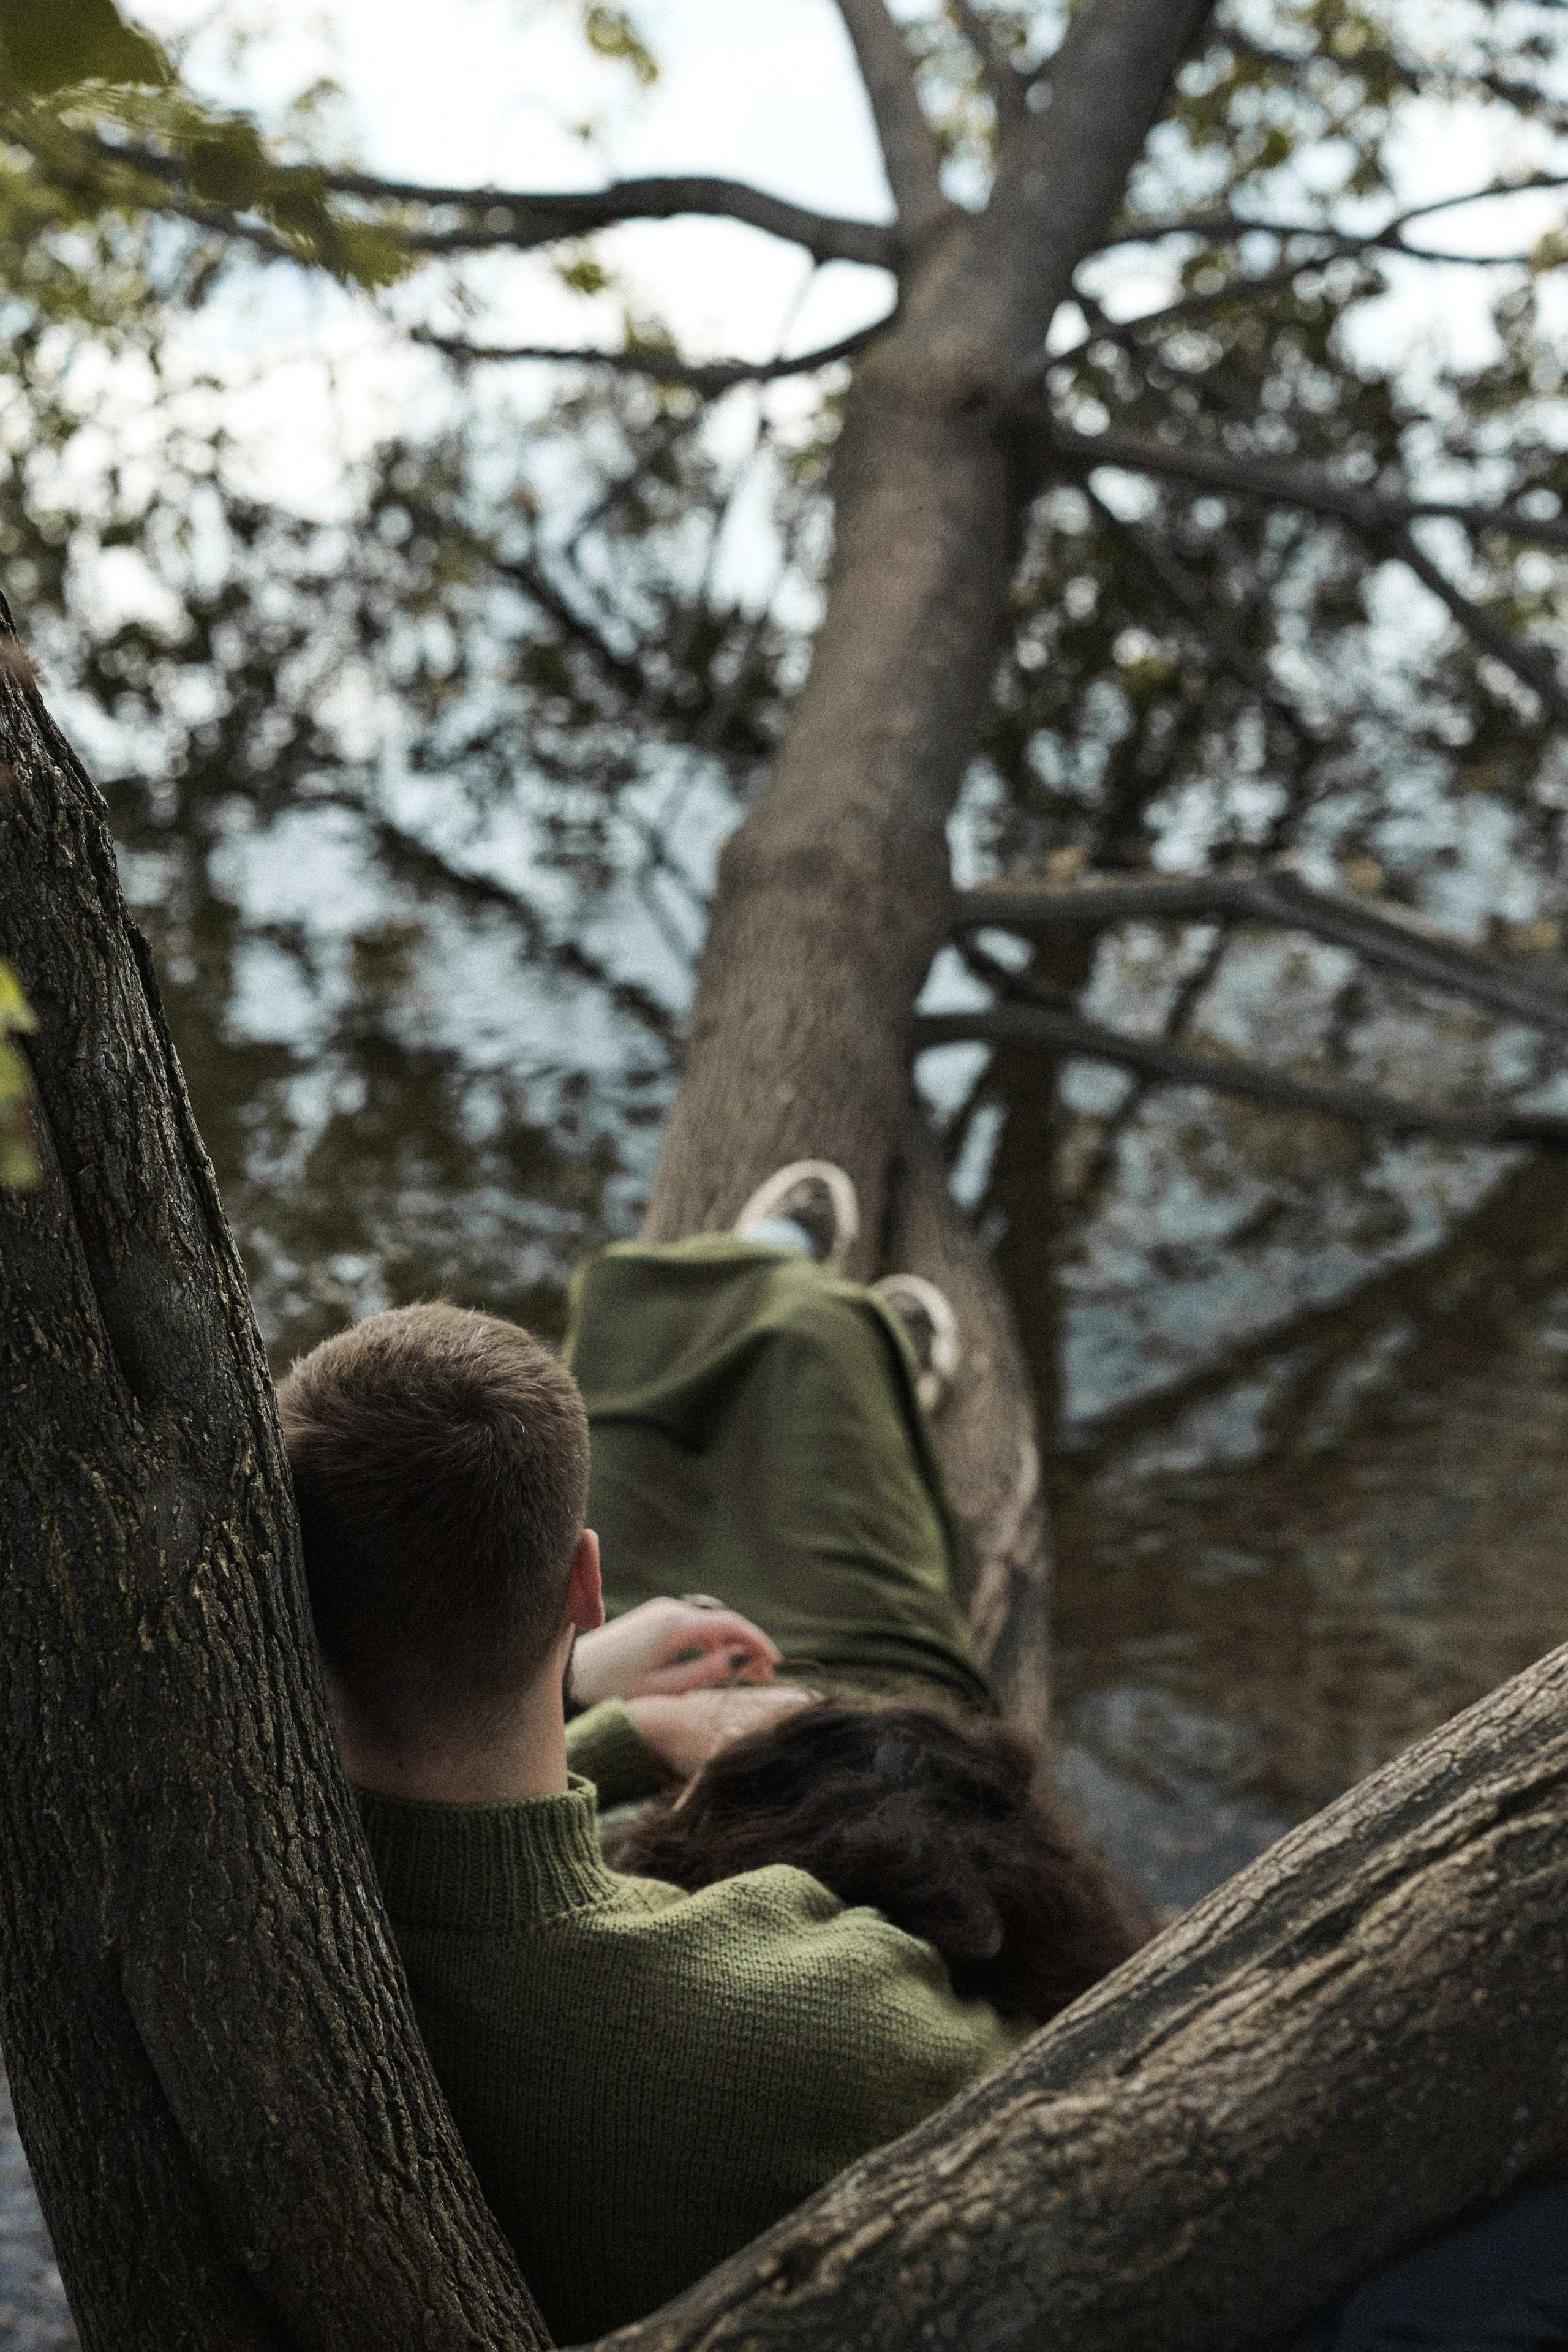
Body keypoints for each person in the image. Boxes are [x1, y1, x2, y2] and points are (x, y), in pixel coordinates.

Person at [276, 1202, 1045, 2346]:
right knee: (847, 1550)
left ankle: (778, 1291)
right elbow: (1069, 2069)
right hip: (824, 1700)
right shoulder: (815, 2020)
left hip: (551, 1689)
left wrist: (613, 1714)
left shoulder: (244, 1875)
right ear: (587, 1584)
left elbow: (442, 1864)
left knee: (594, 1430)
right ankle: (810, 1314)